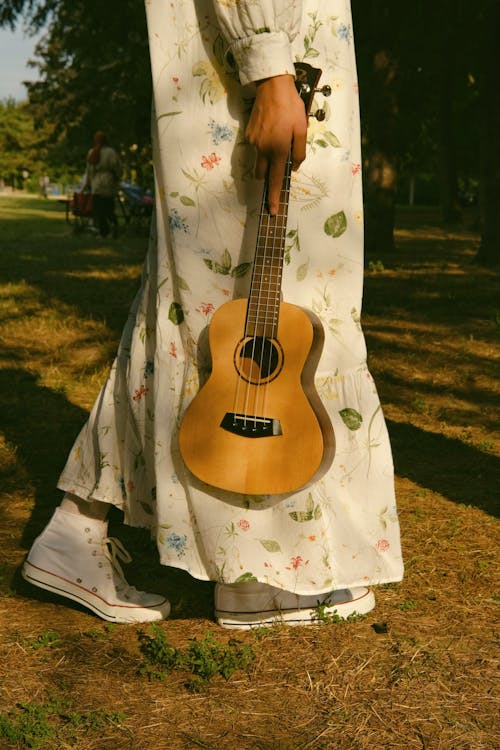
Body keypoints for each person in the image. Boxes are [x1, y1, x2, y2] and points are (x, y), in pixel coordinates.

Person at [22, 0, 404, 628]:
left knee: (186, 309)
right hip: (261, 77)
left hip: (267, 69)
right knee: (249, 313)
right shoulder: (269, 69)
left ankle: (78, 526)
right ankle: (257, 574)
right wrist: (271, 67)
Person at [83, 131, 121, 238]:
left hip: (97, 183)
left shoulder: (93, 152)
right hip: (108, 182)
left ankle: (105, 231)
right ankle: (111, 227)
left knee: (100, 208)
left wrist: (88, 183)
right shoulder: (111, 152)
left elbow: (89, 169)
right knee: (108, 207)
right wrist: (117, 179)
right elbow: (116, 167)